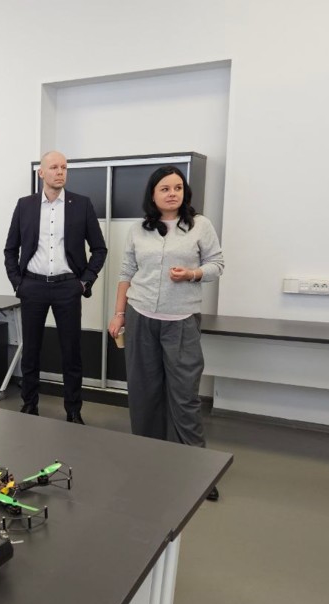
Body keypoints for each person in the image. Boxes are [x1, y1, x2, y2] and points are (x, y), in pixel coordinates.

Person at [107, 165, 224, 500]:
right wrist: (119, 314)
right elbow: (126, 272)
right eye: (165, 189)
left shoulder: (200, 226)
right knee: (144, 394)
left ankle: (198, 471)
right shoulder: (138, 229)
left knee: (184, 397)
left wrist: (192, 274)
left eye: (177, 188)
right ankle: (150, 460)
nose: (172, 193)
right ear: (153, 195)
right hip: (140, 316)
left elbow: (217, 264)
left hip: (181, 321)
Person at [3, 151, 107, 424]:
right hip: (33, 287)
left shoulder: (81, 204)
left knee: (71, 352)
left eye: (64, 167)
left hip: (67, 288)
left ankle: (73, 410)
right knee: (31, 351)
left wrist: (84, 282)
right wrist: (18, 283)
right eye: (54, 167)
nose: (60, 172)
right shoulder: (25, 205)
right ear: (41, 173)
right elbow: (11, 248)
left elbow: (99, 249)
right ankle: (29, 405)